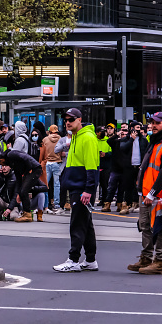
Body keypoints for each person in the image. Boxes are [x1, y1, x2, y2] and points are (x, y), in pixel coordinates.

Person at [128, 112, 162, 275]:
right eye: (152, 122)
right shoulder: (156, 141)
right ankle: (147, 257)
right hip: (148, 193)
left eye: (158, 123)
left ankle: (160, 261)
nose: (153, 125)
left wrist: (152, 193)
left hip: (161, 194)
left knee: (160, 227)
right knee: (145, 226)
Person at [53, 108, 100, 273]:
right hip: (78, 186)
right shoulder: (76, 137)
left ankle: (73, 259)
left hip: (81, 187)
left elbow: (92, 166)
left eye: (71, 119)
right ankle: (90, 259)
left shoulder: (86, 138)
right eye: (66, 119)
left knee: (77, 224)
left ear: (79, 120)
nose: (67, 122)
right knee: (86, 224)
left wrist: (88, 189)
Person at [118, 122, 148, 215]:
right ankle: (127, 204)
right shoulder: (125, 139)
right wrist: (131, 139)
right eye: (137, 127)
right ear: (132, 128)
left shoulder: (143, 139)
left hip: (139, 166)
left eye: (140, 128)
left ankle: (137, 204)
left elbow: (147, 152)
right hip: (128, 166)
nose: (139, 129)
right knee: (127, 186)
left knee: (139, 186)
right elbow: (122, 148)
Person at [42, 125, 63, 214]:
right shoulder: (61, 139)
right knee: (57, 184)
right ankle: (57, 204)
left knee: (45, 184)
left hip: (47, 163)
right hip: (57, 163)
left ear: (49, 131)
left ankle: (44, 204)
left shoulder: (45, 140)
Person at [95, 126, 113, 210]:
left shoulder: (108, 140)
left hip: (106, 165)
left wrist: (105, 154)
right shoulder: (94, 140)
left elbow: (112, 152)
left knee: (105, 185)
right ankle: (99, 200)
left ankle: (105, 201)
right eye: (100, 131)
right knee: (95, 184)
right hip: (95, 165)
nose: (101, 133)